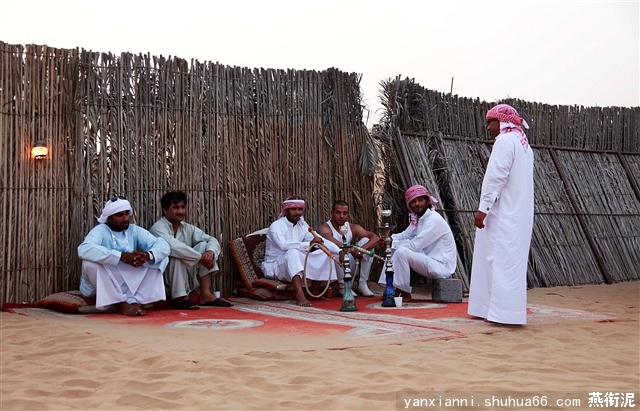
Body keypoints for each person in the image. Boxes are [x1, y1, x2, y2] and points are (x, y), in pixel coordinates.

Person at [467, 104, 534, 325]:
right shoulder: (525, 146)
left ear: (501, 122)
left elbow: (495, 177)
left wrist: (483, 208)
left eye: (490, 122)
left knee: (497, 262)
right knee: (510, 263)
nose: (488, 128)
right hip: (519, 216)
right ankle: (494, 310)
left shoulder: (505, 141)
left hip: (503, 214)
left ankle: (501, 313)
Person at [78, 196, 170, 316]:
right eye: (120, 215)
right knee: (89, 262)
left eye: (127, 214)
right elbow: (84, 249)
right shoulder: (100, 230)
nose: (125, 218)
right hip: (101, 283)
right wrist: (121, 256)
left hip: (128, 281)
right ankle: (120, 303)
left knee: (161, 258)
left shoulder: (134, 230)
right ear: (109, 218)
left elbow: (163, 245)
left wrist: (148, 256)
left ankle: (134, 299)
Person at [150, 191, 230, 309]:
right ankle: (180, 297)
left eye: (183, 207)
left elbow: (211, 239)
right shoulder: (158, 228)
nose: (181, 211)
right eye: (176, 208)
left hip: (184, 276)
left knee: (204, 245)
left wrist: (210, 252)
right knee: (175, 254)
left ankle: (205, 293)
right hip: (163, 278)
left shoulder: (188, 228)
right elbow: (174, 247)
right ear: (165, 210)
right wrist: (200, 258)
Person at [377, 185, 457, 301]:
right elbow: (404, 235)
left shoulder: (434, 219)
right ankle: (390, 287)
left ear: (427, 201)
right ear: (409, 204)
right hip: (429, 259)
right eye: (413, 201)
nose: (417, 204)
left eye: (420, 200)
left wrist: (392, 243)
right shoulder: (418, 219)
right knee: (394, 248)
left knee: (402, 251)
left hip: (441, 266)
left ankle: (403, 291)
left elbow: (415, 246)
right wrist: (388, 240)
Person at [261, 196, 340, 307]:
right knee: (292, 252)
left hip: (293, 261)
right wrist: (309, 244)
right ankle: (299, 294)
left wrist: (338, 251)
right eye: (294, 209)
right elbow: (283, 245)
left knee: (323, 251)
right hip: (275, 265)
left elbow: (320, 240)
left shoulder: (302, 225)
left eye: (300, 209)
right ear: (286, 210)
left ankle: (314, 291)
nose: (297, 212)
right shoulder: (276, 226)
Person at [318, 200, 380, 297]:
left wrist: (361, 251)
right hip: (335, 266)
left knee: (366, 241)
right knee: (335, 250)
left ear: (348, 214)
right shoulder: (325, 227)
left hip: (350, 262)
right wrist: (350, 250)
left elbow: (375, 238)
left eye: (344, 213)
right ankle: (343, 287)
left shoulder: (351, 227)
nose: (341, 216)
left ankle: (362, 284)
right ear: (332, 213)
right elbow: (328, 239)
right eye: (338, 213)